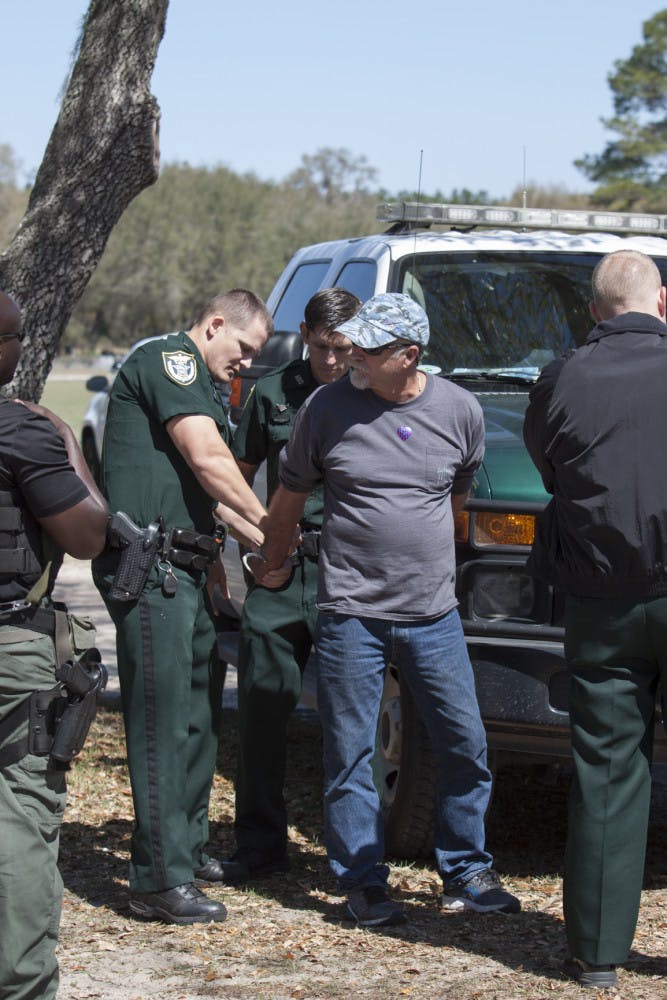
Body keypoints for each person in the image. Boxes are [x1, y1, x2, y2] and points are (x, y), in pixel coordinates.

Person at [252, 292, 521, 926]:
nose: (352, 358)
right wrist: (273, 559)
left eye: (368, 350)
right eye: (350, 346)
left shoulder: (459, 410)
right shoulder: (326, 408)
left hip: (433, 614)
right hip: (350, 611)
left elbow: (456, 501)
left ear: (409, 355)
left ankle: (467, 870)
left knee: (464, 742)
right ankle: (363, 880)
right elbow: (289, 498)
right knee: (350, 751)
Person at [92, 289, 277, 925]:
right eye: (244, 348)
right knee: (162, 722)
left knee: (198, 719)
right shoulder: (171, 361)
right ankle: (157, 881)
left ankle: (186, 849)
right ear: (215, 324)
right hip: (154, 571)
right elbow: (208, 461)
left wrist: (258, 549)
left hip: (190, 572)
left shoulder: (202, 380)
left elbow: (212, 497)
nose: (247, 364)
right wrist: (273, 531)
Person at [523, 249, 667, 991]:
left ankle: (598, 957)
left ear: (592, 312)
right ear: (663, 303)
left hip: (600, 599)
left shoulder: (560, 378)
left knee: (607, 770)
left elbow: (548, 468)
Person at [222, 287, 361, 884]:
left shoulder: (372, 391)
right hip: (282, 569)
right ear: (304, 334)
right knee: (261, 709)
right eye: (323, 346)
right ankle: (259, 846)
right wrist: (260, 549)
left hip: (350, 572)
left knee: (352, 720)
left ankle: (354, 856)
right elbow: (236, 478)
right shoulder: (272, 392)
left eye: (344, 348)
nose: (333, 361)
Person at [0, 291, 109, 999]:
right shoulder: (23, 432)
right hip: (10, 649)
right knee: (20, 818)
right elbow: (88, 536)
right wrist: (67, 443)